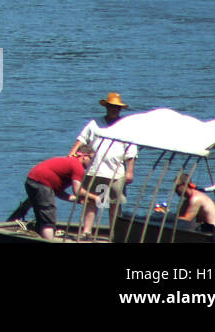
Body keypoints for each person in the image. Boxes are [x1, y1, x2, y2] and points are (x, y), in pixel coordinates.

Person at [70, 92, 137, 236]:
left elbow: (131, 152)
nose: (114, 109)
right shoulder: (94, 124)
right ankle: (86, 231)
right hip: (94, 170)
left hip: (116, 173)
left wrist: (130, 172)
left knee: (114, 204)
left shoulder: (126, 126)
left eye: (117, 107)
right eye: (112, 106)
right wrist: (72, 155)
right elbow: (81, 140)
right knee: (92, 202)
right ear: (106, 107)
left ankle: (114, 234)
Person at [24, 151, 92, 240]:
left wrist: (77, 200)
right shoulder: (77, 165)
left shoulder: (69, 165)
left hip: (32, 180)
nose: (93, 162)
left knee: (42, 215)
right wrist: (94, 197)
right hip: (41, 182)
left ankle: (41, 236)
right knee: (48, 216)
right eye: (91, 158)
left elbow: (59, 193)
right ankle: (49, 240)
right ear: (84, 156)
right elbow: (77, 191)